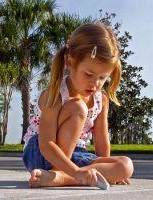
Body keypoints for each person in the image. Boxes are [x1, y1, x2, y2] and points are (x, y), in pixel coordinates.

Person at [22, 22, 134, 188]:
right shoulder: (56, 93)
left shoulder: (100, 99)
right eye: (89, 74)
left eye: (103, 77)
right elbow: (46, 144)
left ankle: (61, 178)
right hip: (41, 153)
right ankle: (60, 173)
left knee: (126, 165)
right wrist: (76, 171)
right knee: (78, 107)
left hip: (76, 154)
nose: (95, 83)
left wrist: (111, 171)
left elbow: (102, 142)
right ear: (70, 61)